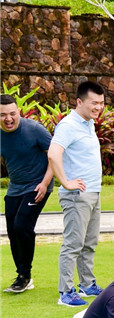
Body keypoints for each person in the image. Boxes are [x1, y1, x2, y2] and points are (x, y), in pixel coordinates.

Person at [48, 80, 106, 307]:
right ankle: (65, 291)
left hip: (93, 192)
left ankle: (87, 284)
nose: (98, 107)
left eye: (101, 103)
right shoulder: (68, 125)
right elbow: (53, 154)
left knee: (89, 243)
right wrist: (66, 182)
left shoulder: (87, 123)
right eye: (94, 103)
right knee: (73, 244)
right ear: (79, 102)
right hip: (77, 195)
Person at [1, 94, 54, 294]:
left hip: (38, 185)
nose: (8, 119)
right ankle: (22, 275)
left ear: (18, 112)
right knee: (12, 230)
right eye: (3, 115)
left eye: (12, 114)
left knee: (22, 225)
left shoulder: (34, 130)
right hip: (16, 187)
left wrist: (44, 183)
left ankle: (25, 275)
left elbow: (55, 156)